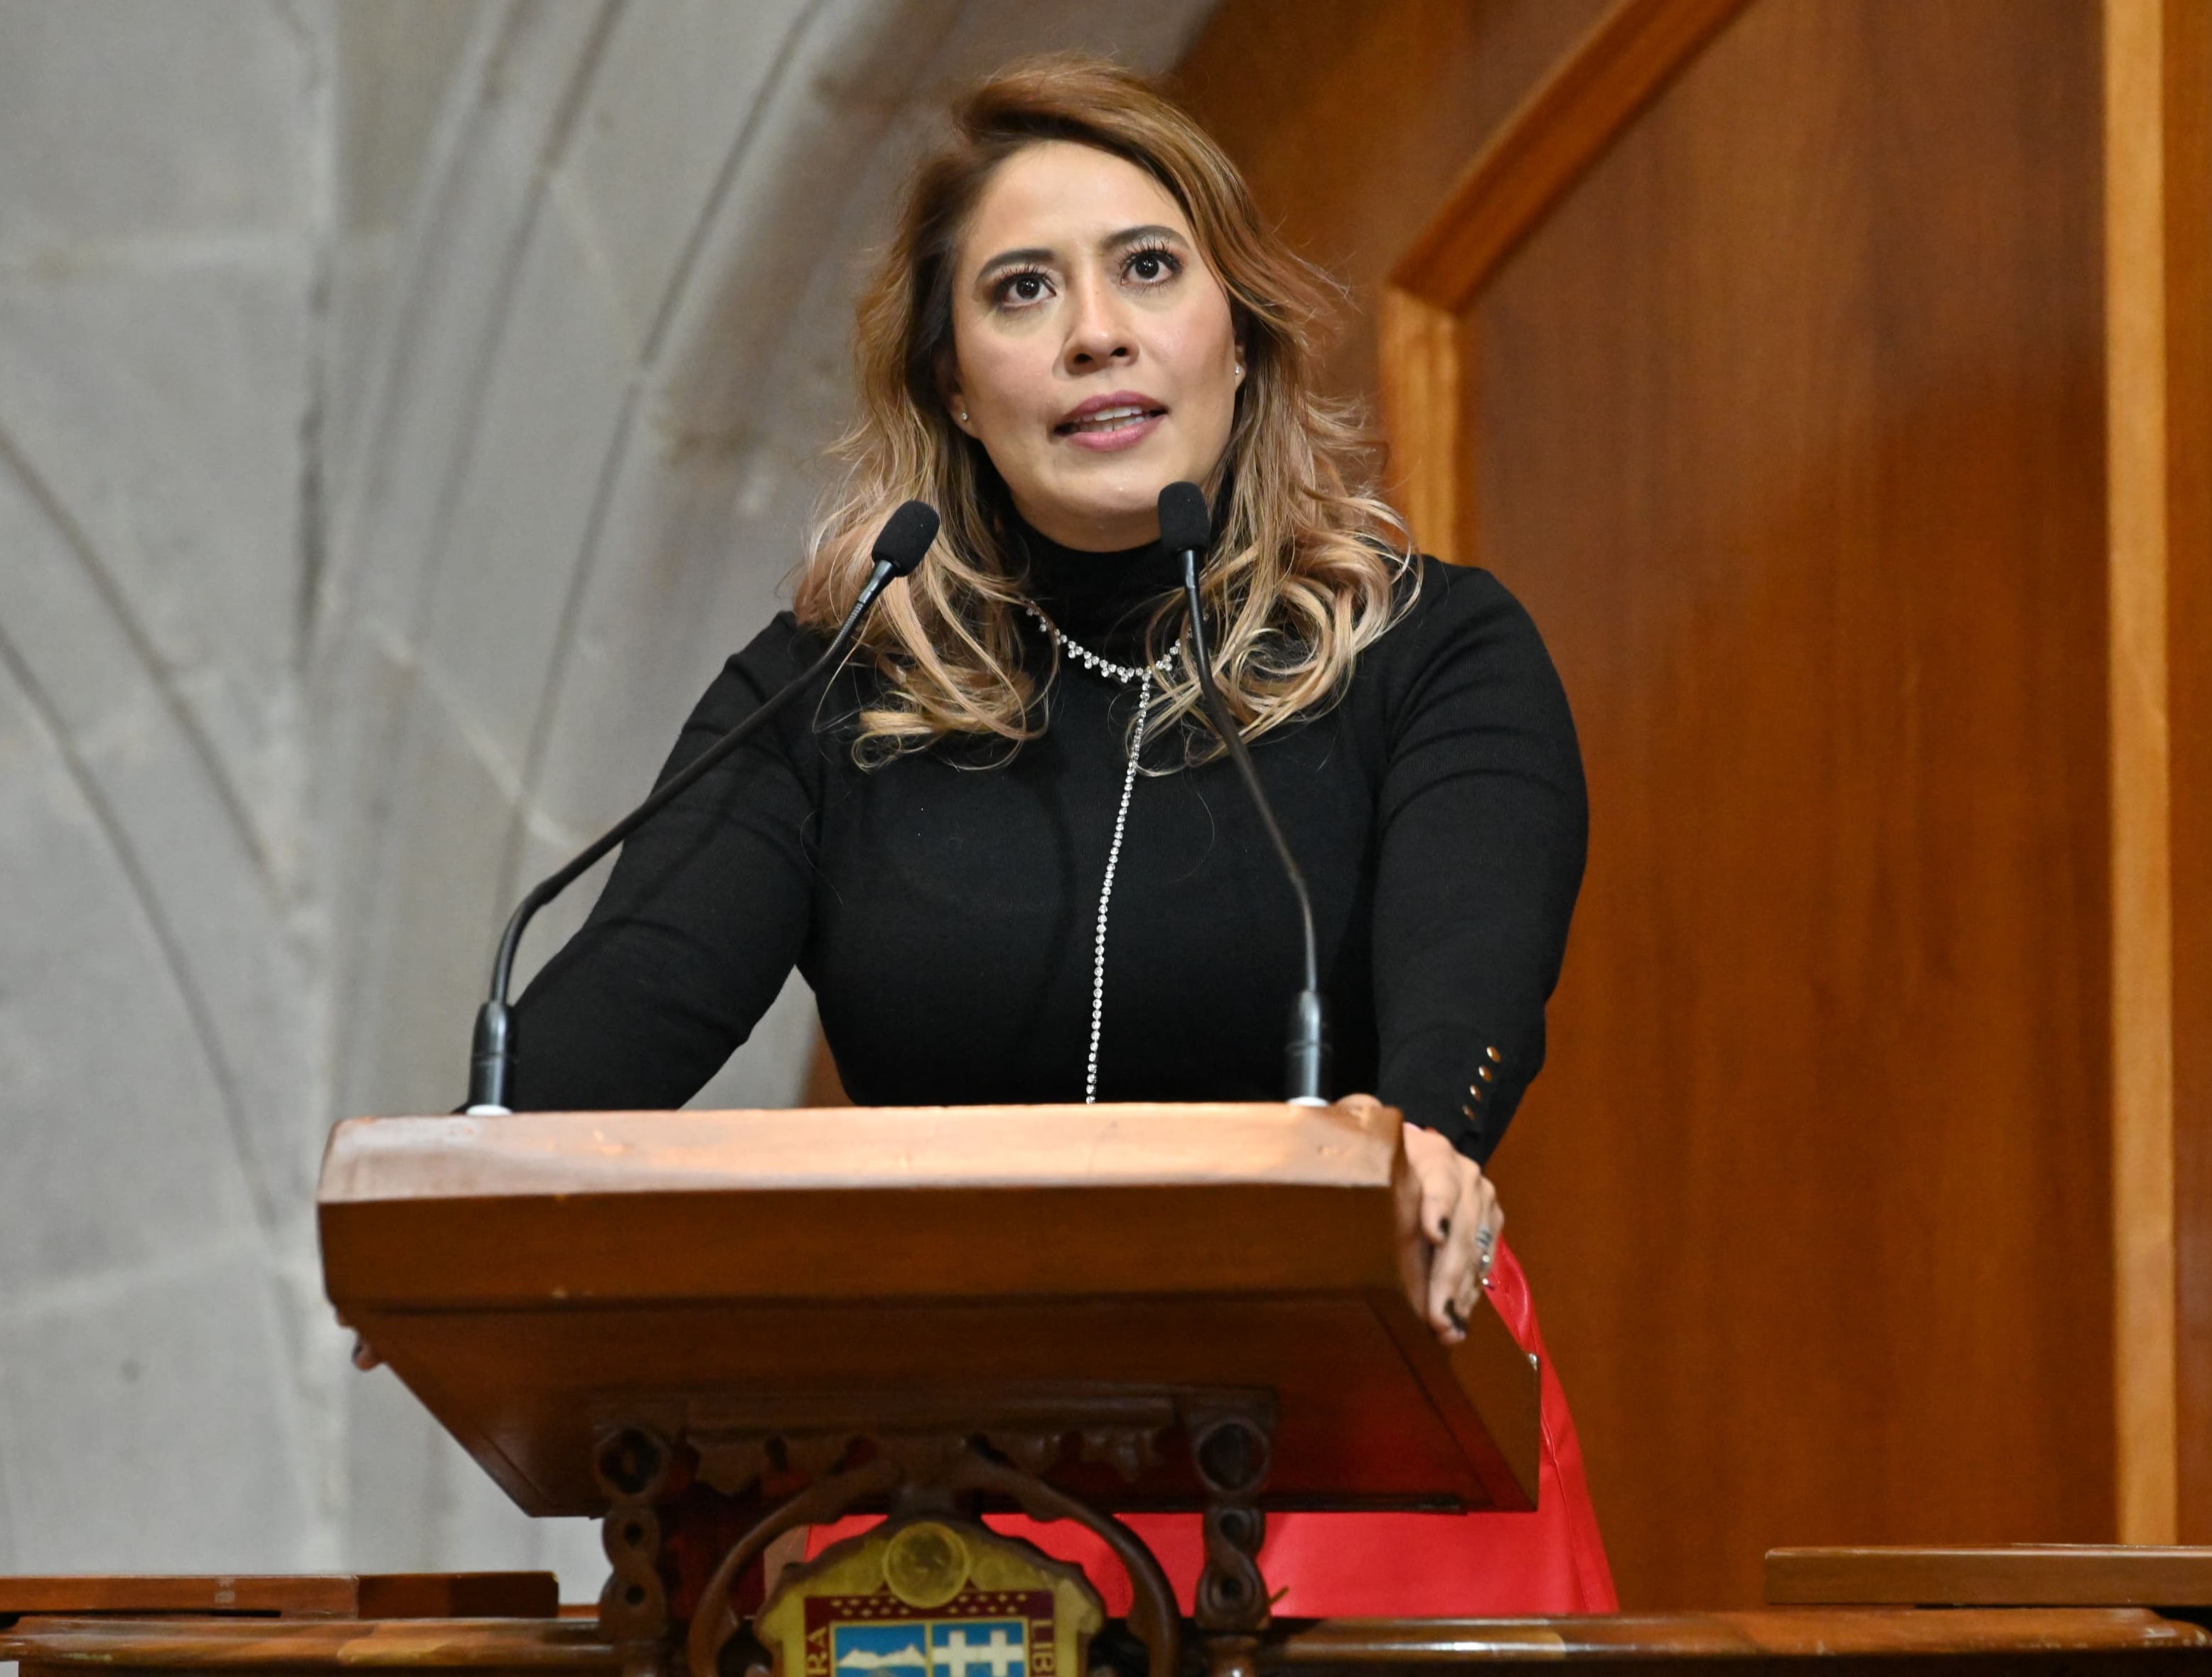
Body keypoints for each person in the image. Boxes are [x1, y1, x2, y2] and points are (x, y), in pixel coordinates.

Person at [510, 54, 1614, 1617]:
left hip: (1353, 1424)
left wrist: (1429, 1141)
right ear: (955, 386)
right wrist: (454, 1202)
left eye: (1147, 268)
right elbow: (617, 1014)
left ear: (1239, 332)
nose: (1095, 328)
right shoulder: (831, 695)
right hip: (932, 1475)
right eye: (1022, 289)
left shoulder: (1427, 652)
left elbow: (1470, 982)